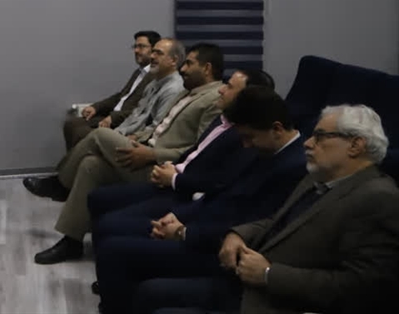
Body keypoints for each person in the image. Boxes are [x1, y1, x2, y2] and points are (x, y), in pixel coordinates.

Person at [134, 104, 399, 314]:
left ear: (355, 145)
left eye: (320, 137)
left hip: (281, 301)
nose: (308, 143)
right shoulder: (317, 178)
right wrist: (237, 234)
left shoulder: (378, 198)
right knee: (149, 292)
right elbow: (277, 220)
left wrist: (270, 275)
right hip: (248, 282)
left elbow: (363, 287)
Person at [93, 85, 306, 314]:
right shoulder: (265, 150)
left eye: (249, 137)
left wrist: (183, 233)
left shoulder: (294, 168)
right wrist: (177, 217)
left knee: (115, 252)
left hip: (217, 250)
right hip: (199, 225)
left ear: (277, 129)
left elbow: (252, 225)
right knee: (113, 240)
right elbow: (220, 194)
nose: (245, 144)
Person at [32, 42, 224, 264]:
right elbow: (158, 127)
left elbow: (200, 149)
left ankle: (60, 183)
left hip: (161, 169)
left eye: (189, 63)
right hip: (144, 149)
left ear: (207, 68)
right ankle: (71, 242)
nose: (183, 68)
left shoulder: (213, 100)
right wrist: (138, 138)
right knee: (91, 165)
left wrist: (153, 154)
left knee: (99, 135)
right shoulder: (187, 93)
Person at [88, 68, 276, 246]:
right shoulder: (222, 120)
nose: (221, 90)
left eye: (229, 87)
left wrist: (174, 178)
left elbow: (218, 183)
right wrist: (170, 166)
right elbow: (194, 151)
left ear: (248, 98)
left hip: (186, 194)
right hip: (170, 175)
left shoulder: (245, 139)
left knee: (109, 222)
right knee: (95, 185)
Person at [24, 38, 186, 202]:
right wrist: (119, 132)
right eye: (153, 52)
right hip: (126, 132)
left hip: (142, 148)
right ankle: (69, 192)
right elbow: (135, 114)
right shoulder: (154, 84)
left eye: (158, 53)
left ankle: (60, 183)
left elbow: (157, 127)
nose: (152, 56)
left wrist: (132, 136)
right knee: (89, 160)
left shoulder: (173, 89)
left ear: (174, 60)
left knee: (98, 135)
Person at [62, 31, 161, 148]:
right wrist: (95, 107)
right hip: (111, 116)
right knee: (72, 124)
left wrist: (113, 118)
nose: (136, 51)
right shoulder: (139, 72)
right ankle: (76, 159)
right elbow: (121, 97)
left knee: (81, 132)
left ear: (154, 50)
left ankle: (80, 159)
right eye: (135, 46)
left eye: (141, 46)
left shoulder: (156, 76)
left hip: (125, 123)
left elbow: (143, 110)